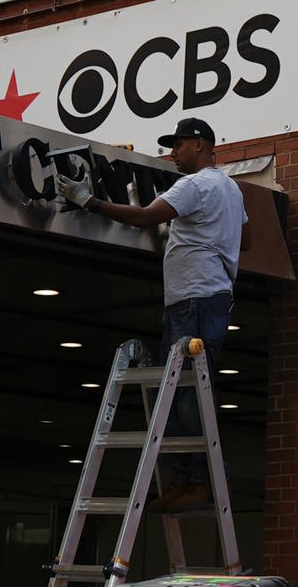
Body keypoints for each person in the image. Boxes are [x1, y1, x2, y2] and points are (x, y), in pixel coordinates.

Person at [90, 115, 246, 494]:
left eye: (178, 144)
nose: (172, 152)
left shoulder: (194, 184)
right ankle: (195, 479)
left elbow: (144, 218)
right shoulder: (232, 189)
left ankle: (193, 480)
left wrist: (90, 202)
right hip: (213, 296)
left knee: (183, 392)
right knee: (192, 388)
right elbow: (249, 238)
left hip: (191, 299)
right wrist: (199, 234)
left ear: (200, 145)